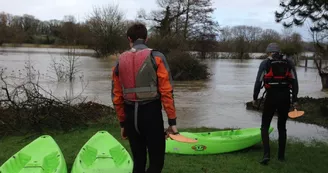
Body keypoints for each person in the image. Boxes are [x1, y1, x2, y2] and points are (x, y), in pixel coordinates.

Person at [111, 23, 179, 173]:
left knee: (139, 162)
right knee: (156, 163)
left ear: (129, 39)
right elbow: (167, 92)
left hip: (130, 117)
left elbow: (117, 95)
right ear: (147, 38)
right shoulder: (157, 57)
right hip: (150, 115)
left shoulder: (119, 60)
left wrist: (123, 123)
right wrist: (172, 121)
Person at [252, 42, 299, 165]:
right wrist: (294, 99)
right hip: (285, 98)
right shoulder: (289, 62)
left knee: (265, 126)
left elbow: (258, 82)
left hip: (271, 97)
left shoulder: (265, 63)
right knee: (282, 127)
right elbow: (294, 82)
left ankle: (266, 154)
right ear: (279, 51)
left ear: (269, 52)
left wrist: (255, 97)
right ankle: (281, 156)